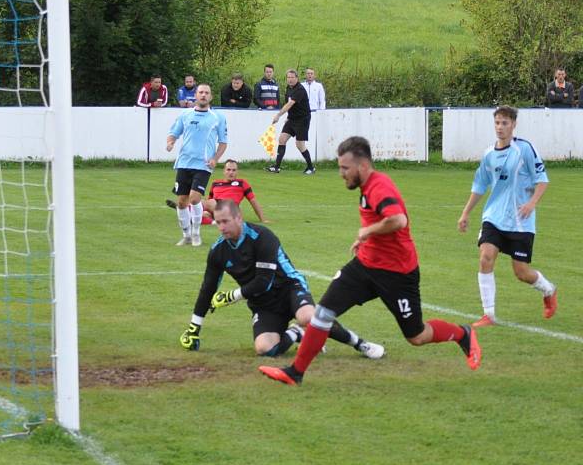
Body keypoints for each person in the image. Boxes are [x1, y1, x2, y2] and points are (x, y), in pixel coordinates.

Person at [259, 136, 481, 386]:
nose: (341, 173)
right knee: (322, 314)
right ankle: (295, 372)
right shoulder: (366, 186)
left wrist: (367, 232)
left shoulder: (379, 186)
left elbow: (398, 220)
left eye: (345, 168)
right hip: (364, 267)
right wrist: (366, 240)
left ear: (362, 166)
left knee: (416, 336)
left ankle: (463, 333)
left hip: (397, 273)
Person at [179, 199, 386, 360]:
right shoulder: (218, 251)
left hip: (289, 288)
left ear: (239, 218)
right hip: (262, 304)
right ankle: (298, 333)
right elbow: (207, 289)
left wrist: (231, 296)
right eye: (218, 222)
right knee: (264, 349)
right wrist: (193, 330)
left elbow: (264, 281)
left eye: (226, 221)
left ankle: (360, 344)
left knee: (308, 317)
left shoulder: (262, 237)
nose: (221, 227)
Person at [457, 105, 557, 327]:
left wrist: (532, 203)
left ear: (514, 125)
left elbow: (543, 179)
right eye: (497, 123)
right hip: (493, 217)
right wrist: (465, 213)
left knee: (521, 272)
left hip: (520, 222)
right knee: (485, 257)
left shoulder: (524, 149)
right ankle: (489, 315)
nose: (500, 127)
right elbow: (480, 185)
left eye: (505, 123)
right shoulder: (488, 154)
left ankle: (549, 290)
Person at [166, 83, 228, 247]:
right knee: (181, 202)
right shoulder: (185, 114)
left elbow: (223, 142)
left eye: (206, 93)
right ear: (195, 95)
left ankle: (196, 233)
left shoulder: (218, 118)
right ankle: (186, 235)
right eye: (200, 92)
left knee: (195, 198)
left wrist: (215, 158)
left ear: (211, 97)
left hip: (203, 164)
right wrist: (170, 142)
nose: (203, 95)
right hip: (184, 162)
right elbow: (173, 133)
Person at [166, 159, 268, 225]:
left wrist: (263, 219)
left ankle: (184, 207)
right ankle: (211, 221)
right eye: (228, 170)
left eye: (233, 170)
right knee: (205, 213)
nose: (231, 172)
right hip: (216, 209)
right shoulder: (216, 183)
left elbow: (253, 201)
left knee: (206, 203)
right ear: (224, 171)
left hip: (232, 210)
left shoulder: (242, 183)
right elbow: (210, 200)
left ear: (237, 172)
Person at [265, 69, 315, 175]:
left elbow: (290, 104)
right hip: (292, 119)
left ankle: (311, 167)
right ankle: (277, 167)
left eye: (292, 77)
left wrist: (278, 115)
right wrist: (288, 116)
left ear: (297, 78)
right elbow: (288, 103)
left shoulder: (300, 89)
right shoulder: (288, 88)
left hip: (302, 119)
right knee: (282, 139)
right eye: (288, 77)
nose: (290, 79)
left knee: (299, 144)